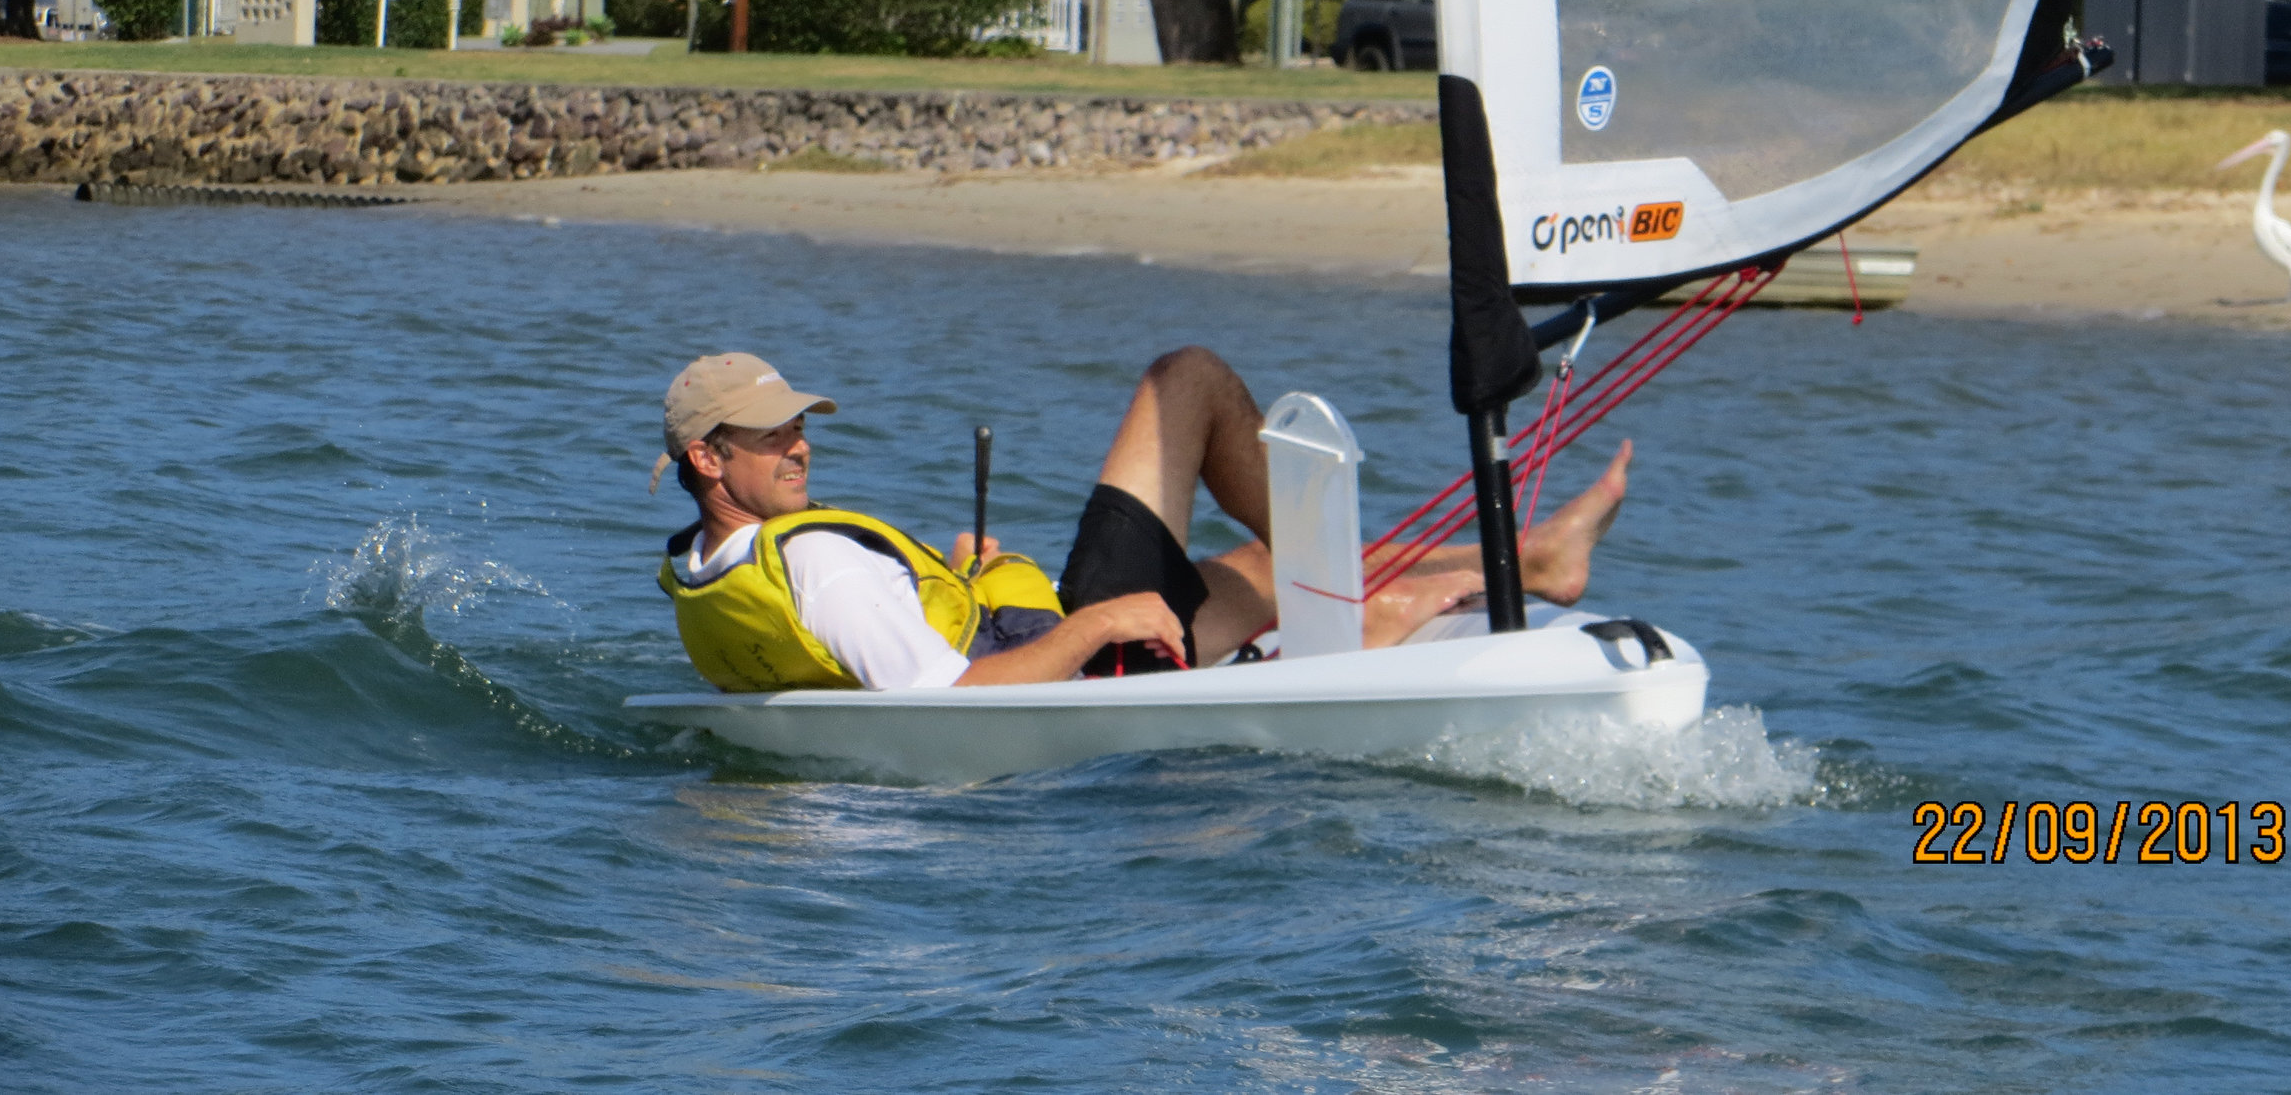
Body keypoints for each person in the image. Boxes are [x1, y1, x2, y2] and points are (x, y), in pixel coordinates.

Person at [653, 345, 1638, 692]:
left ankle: (1529, 555)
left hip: (1042, 635)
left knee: (1265, 558)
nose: (800, 446)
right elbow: (943, 701)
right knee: (1190, 382)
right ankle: (1428, 596)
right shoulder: (820, 563)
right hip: (1083, 663)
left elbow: (877, 654)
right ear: (708, 456)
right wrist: (1100, 621)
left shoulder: (708, 572)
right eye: (771, 436)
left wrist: (960, 582)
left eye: (799, 427)